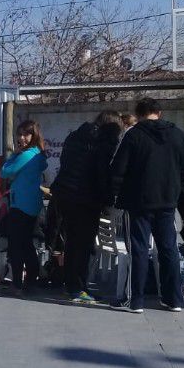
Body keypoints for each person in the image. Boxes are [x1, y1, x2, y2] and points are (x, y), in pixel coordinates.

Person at [110, 97, 184, 313]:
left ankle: (135, 301)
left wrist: (115, 195)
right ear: (159, 112)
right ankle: (173, 299)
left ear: (138, 114)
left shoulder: (134, 135)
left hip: (138, 203)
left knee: (138, 249)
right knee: (168, 249)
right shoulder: (178, 135)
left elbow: (119, 169)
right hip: (167, 201)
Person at [50, 111, 122, 303]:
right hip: (85, 197)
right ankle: (77, 288)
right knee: (83, 244)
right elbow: (101, 173)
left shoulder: (76, 135)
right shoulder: (103, 141)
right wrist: (108, 198)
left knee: (72, 241)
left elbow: (66, 163)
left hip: (64, 193)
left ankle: (71, 285)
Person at [1, 120, 48, 296]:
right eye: (19, 134)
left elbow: (5, 172)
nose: (21, 138)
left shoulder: (25, 155)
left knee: (17, 246)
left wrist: (14, 154)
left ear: (33, 135)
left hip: (20, 205)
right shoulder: (37, 154)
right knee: (27, 244)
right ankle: (30, 280)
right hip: (31, 204)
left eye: (26, 134)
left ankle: (18, 284)